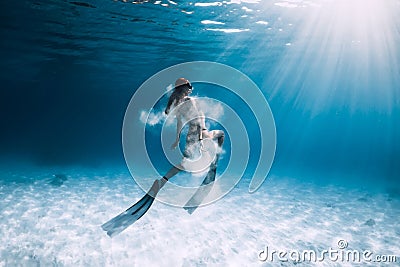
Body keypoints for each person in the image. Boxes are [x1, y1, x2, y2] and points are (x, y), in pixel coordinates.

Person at [148, 78, 225, 197]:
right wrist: (200, 140)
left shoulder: (178, 104)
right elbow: (199, 120)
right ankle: (214, 164)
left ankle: (161, 182)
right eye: (189, 86)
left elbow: (180, 123)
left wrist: (177, 139)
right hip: (201, 132)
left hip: (192, 134)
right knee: (221, 134)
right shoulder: (191, 101)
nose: (190, 89)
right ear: (184, 88)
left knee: (183, 164)